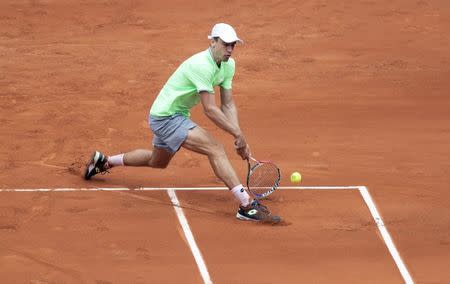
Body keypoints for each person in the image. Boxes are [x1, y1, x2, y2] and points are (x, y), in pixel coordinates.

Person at [84, 23, 280, 223]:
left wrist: (240, 136)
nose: (229, 49)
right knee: (215, 149)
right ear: (213, 42)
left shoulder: (229, 65)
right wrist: (238, 136)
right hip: (166, 116)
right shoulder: (201, 65)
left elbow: (228, 105)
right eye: (225, 44)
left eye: (233, 45)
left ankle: (105, 161)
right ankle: (246, 205)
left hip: (174, 114)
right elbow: (210, 109)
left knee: (157, 161)